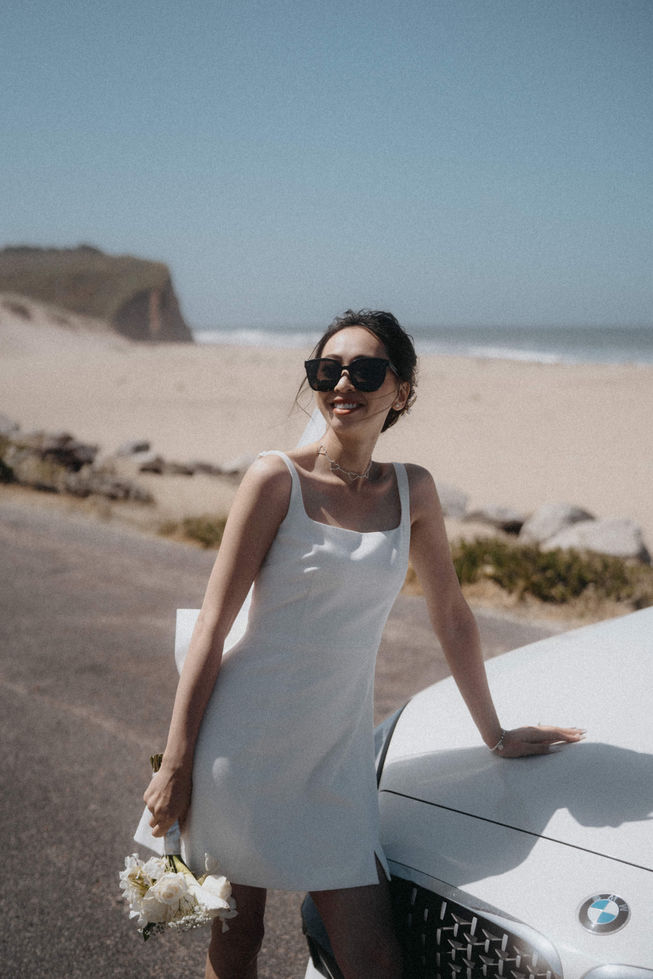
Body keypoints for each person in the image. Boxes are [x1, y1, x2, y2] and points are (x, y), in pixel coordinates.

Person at [143, 310, 584, 979]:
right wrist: (175, 764)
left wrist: (493, 731)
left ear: (400, 390)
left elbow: (453, 616)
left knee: (373, 956)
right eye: (327, 369)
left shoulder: (413, 490)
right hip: (241, 745)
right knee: (238, 939)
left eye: (364, 369)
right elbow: (211, 623)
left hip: (336, 757)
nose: (341, 382)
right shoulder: (273, 480)